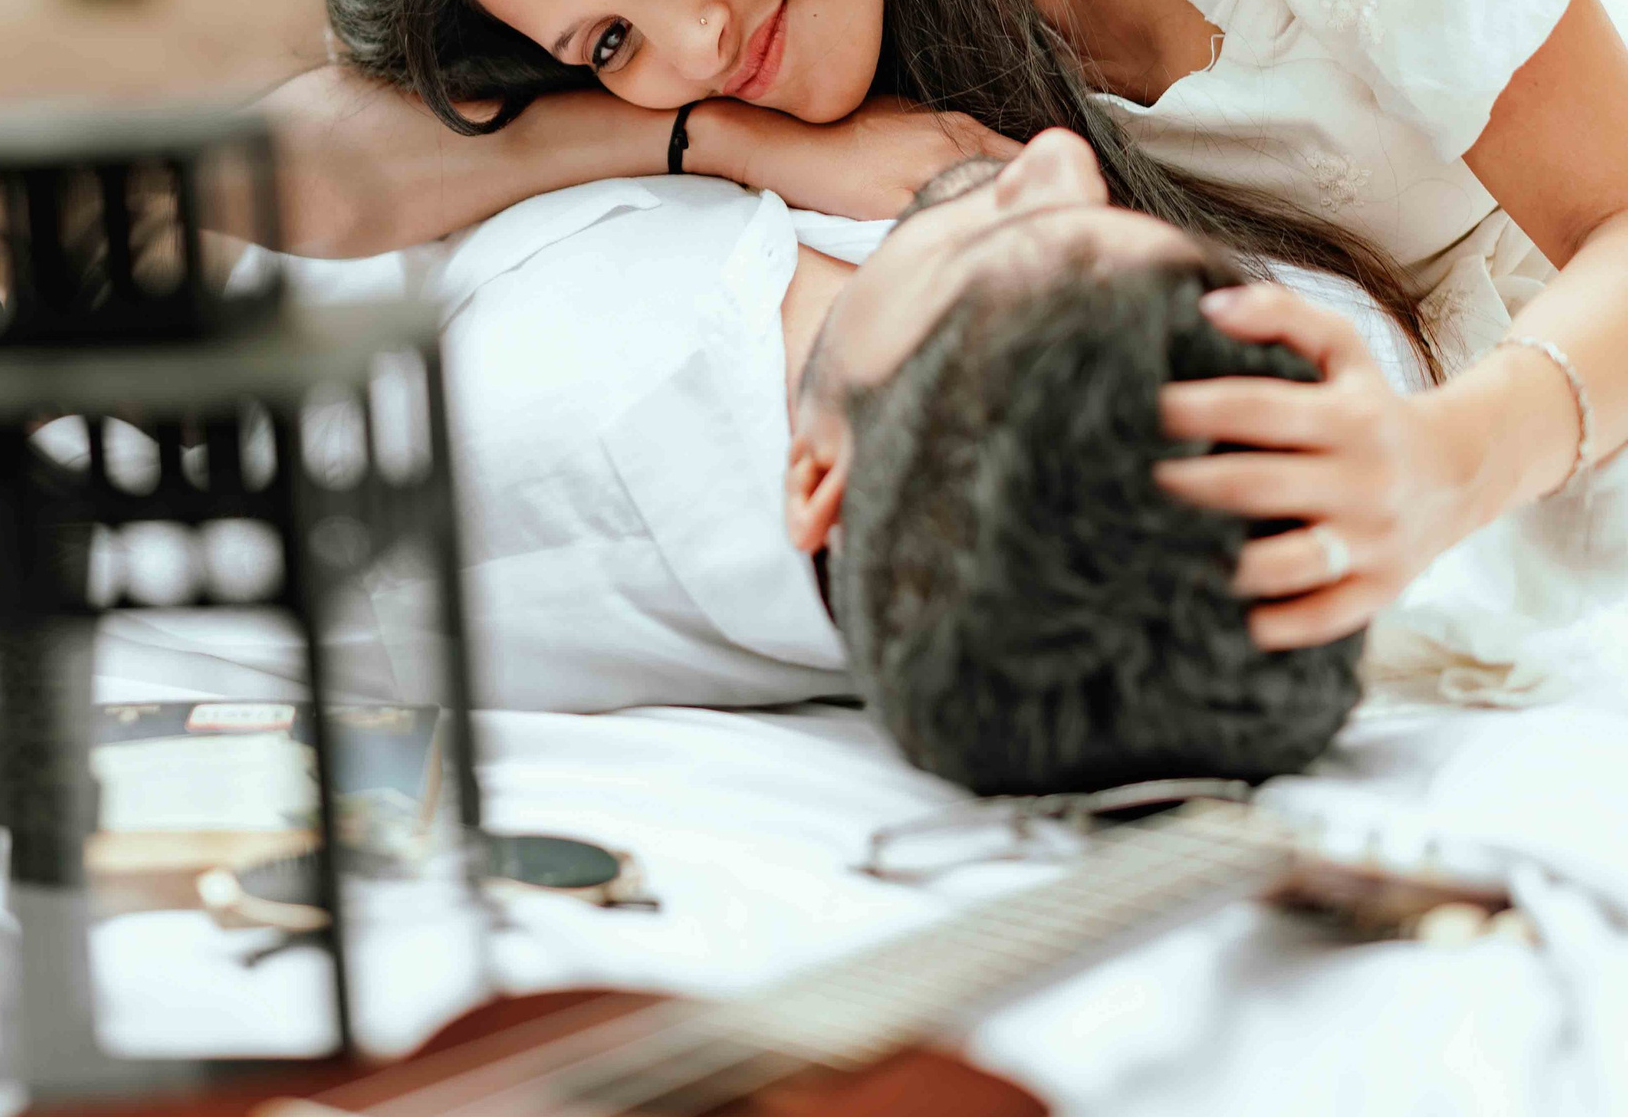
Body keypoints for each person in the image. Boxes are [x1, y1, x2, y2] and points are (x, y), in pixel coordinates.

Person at [286, 0, 1628, 655]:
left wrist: (1445, 463)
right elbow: (282, 159)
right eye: (606, 43)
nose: (690, 44)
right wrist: (720, 145)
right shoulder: (811, 93)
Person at [296, 130, 1411, 785]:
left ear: (818, 478)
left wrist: (716, 136)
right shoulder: (1014, 461)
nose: (1058, 155)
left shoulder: (520, 424)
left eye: (1005, 235)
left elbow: (314, 181)